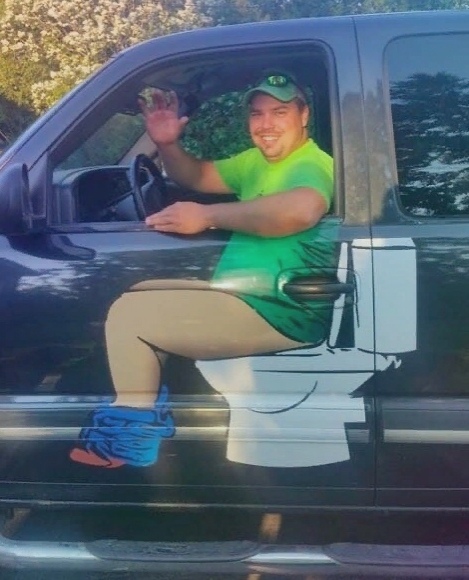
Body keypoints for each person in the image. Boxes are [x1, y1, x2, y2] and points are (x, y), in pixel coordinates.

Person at [70, 72, 335, 468]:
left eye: (280, 112)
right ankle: (151, 407)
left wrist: (207, 216)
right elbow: (195, 175)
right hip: (249, 294)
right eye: (257, 114)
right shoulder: (257, 162)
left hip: (281, 308)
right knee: (140, 290)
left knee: (129, 317)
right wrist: (167, 143)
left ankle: (130, 444)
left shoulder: (310, 164)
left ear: (304, 116)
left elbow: (302, 209)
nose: (266, 124)